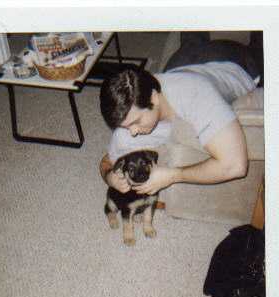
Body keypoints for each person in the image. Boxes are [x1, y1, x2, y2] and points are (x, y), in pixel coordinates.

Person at [98, 33, 263, 196]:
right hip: (181, 64)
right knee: (190, 39)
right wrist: (110, 178)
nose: (133, 132)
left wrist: (173, 175)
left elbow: (235, 166)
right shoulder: (130, 124)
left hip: (233, 61)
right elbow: (107, 161)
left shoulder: (197, 96)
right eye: (126, 126)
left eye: (136, 122)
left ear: (154, 97)